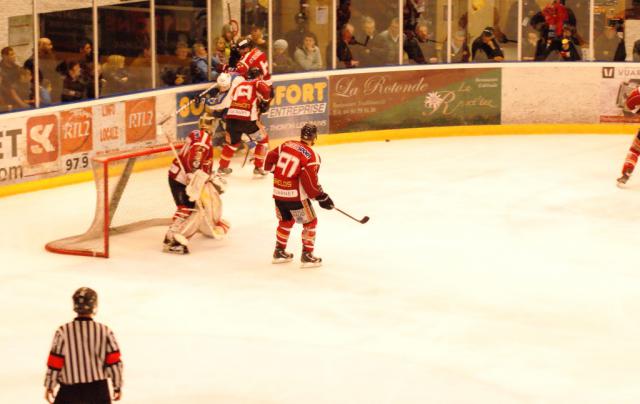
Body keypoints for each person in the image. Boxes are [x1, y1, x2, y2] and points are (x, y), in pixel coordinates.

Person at [263, 123, 334, 268]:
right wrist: (321, 196)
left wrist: (277, 174)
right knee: (310, 223)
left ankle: (279, 252)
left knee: (286, 221)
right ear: (314, 137)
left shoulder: (287, 144)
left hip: (278, 192)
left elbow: (269, 159)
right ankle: (307, 255)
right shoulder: (313, 156)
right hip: (296, 197)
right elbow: (309, 181)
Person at [44, 287, 123, 403]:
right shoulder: (104, 331)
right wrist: (117, 385)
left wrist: (50, 385)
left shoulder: (63, 332)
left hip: (69, 392)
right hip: (98, 391)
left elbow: (55, 362)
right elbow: (114, 362)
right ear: (94, 305)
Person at [165, 116, 229, 254]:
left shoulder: (196, 134)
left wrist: (207, 177)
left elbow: (198, 163)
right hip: (181, 179)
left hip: (183, 176)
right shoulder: (203, 141)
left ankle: (174, 236)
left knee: (192, 209)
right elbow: (193, 161)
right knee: (187, 210)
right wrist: (191, 175)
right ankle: (172, 240)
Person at [216, 67, 272, 176]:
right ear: (259, 76)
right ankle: (258, 166)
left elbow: (234, 98)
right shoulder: (257, 82)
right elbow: (266, 90)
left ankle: (222, 167)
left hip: (231, 119)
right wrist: (265, 101)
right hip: (246, 120)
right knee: (263, 140)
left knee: (232, 144)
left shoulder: (238, 85)